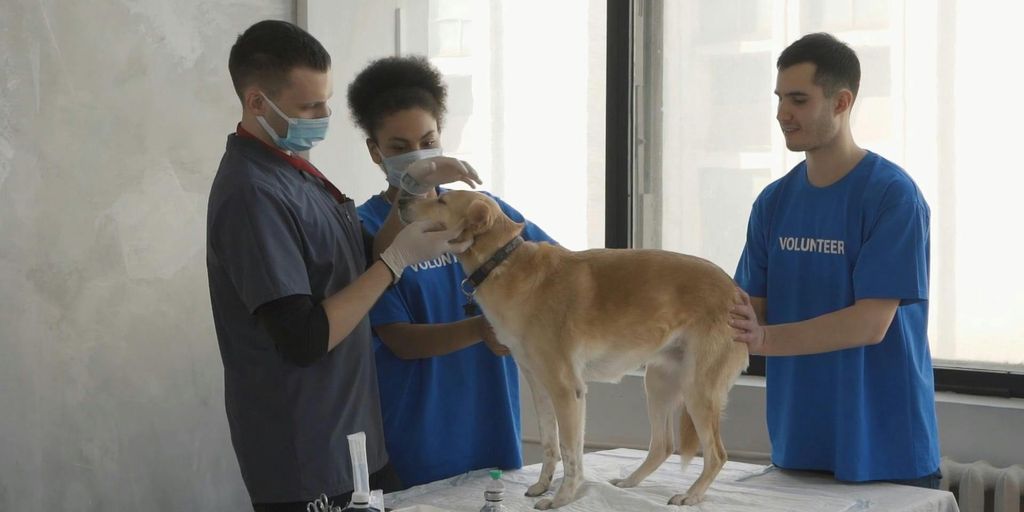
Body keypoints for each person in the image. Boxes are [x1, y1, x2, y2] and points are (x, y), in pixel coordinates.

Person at [206, 21, 479, 511]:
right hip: (305, 457)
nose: (325, 115)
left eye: (326, 100)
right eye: (309, 106)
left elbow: (367, 256)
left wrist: (411, 190)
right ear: (256, 103)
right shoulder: (251, 193)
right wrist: (396, 263)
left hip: (356, 444)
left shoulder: (297, 174)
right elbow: (304, 338)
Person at [728, 33, 941, 489]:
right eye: (781, 98)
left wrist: (762, 338)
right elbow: (746, 314)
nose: (783, 113)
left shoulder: (892, 197)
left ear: (842, 102)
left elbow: (870, 324)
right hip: (796, 448)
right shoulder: (772, 203)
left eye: (799, 99)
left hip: (887, 453)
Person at [347, 55, 558, 488]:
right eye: (400, 148)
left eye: (427, 140)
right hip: (418, 442)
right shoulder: (364, 230)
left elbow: (562, 275)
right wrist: (480, 330)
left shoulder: (485, 215)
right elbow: (397, 339)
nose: (419, 157)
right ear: (375, 152)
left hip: (492, 429)